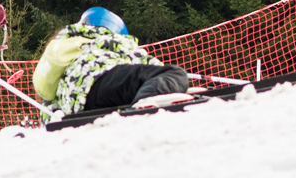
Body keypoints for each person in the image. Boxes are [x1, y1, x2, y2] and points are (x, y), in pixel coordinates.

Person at [32, 7, 189, 116]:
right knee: (174, 74)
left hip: (79, 103)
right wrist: (170, 80)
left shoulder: (70, 47)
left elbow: (49, 108)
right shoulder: (107, 38)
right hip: (101, 79)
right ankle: (142, 108)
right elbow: (140, 59)